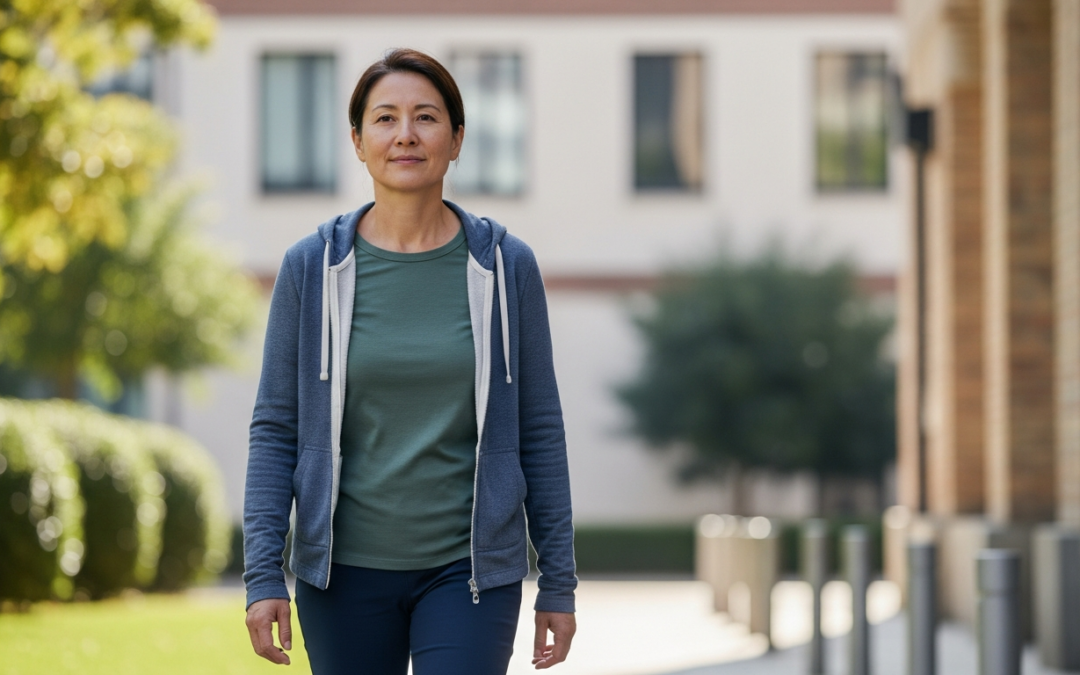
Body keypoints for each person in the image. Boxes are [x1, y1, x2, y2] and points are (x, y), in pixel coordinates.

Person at [241, 48, 577, 675]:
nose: (405, 135)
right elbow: (275, 429)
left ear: (456, 140)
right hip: (339, 574)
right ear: (358, 141)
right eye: (385, 118)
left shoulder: (508, 269)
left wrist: (559, 581)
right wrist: (263, 575)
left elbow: (540, 429)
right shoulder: (309, 269)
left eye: (425, 117)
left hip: (469, 573)